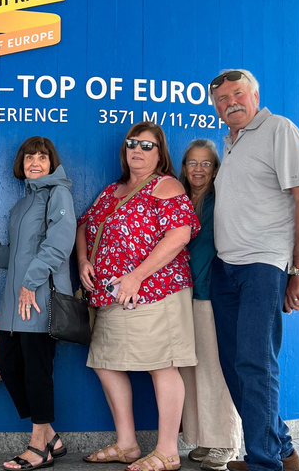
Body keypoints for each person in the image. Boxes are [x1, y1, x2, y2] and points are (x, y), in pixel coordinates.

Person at [208, 69, 299, 471]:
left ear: (255, 95)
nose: (230, 103)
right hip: (227, 269)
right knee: (235, 364)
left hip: (263, 265)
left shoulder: (279, 129)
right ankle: (280, 452)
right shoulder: (232, 142)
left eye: (237, 94)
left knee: (255, 364)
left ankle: (263, 464)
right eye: (221, 99)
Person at [76, 122, 200, 471]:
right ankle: (127, 444)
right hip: (112, 295)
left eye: (147, 146)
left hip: (157, 291)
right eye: (132, 144)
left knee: (162, 365)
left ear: (160, 153)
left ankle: (167, 451)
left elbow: (180, 234)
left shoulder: (166, 185)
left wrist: (135, 276)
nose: (137, 150)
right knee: (105, 362)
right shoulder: (111, 191)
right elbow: (84, 224)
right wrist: (85, 259)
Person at [0, 136, 75, 471]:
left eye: (41, 157)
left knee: (38, 372)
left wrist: (30, 283)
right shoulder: (22, 205)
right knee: (9, 367)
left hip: (38, 301)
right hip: (13, 305)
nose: (34, 163)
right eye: (28, 158)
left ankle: (39, 447)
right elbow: (15, 255)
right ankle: (51, 435)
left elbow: (58, 244)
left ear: (51, 162)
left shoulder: (58, 194)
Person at [177, 139, 241, 471]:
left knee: (215, 371)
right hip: (183, 296)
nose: (199, 169)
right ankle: (204, 437)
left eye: (206, 163)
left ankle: (226, 442)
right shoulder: (182, 200)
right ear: (184, 167)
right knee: (191, 370)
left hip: (211, 296)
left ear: (215, 169)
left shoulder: (219, 201)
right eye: (192, 163)